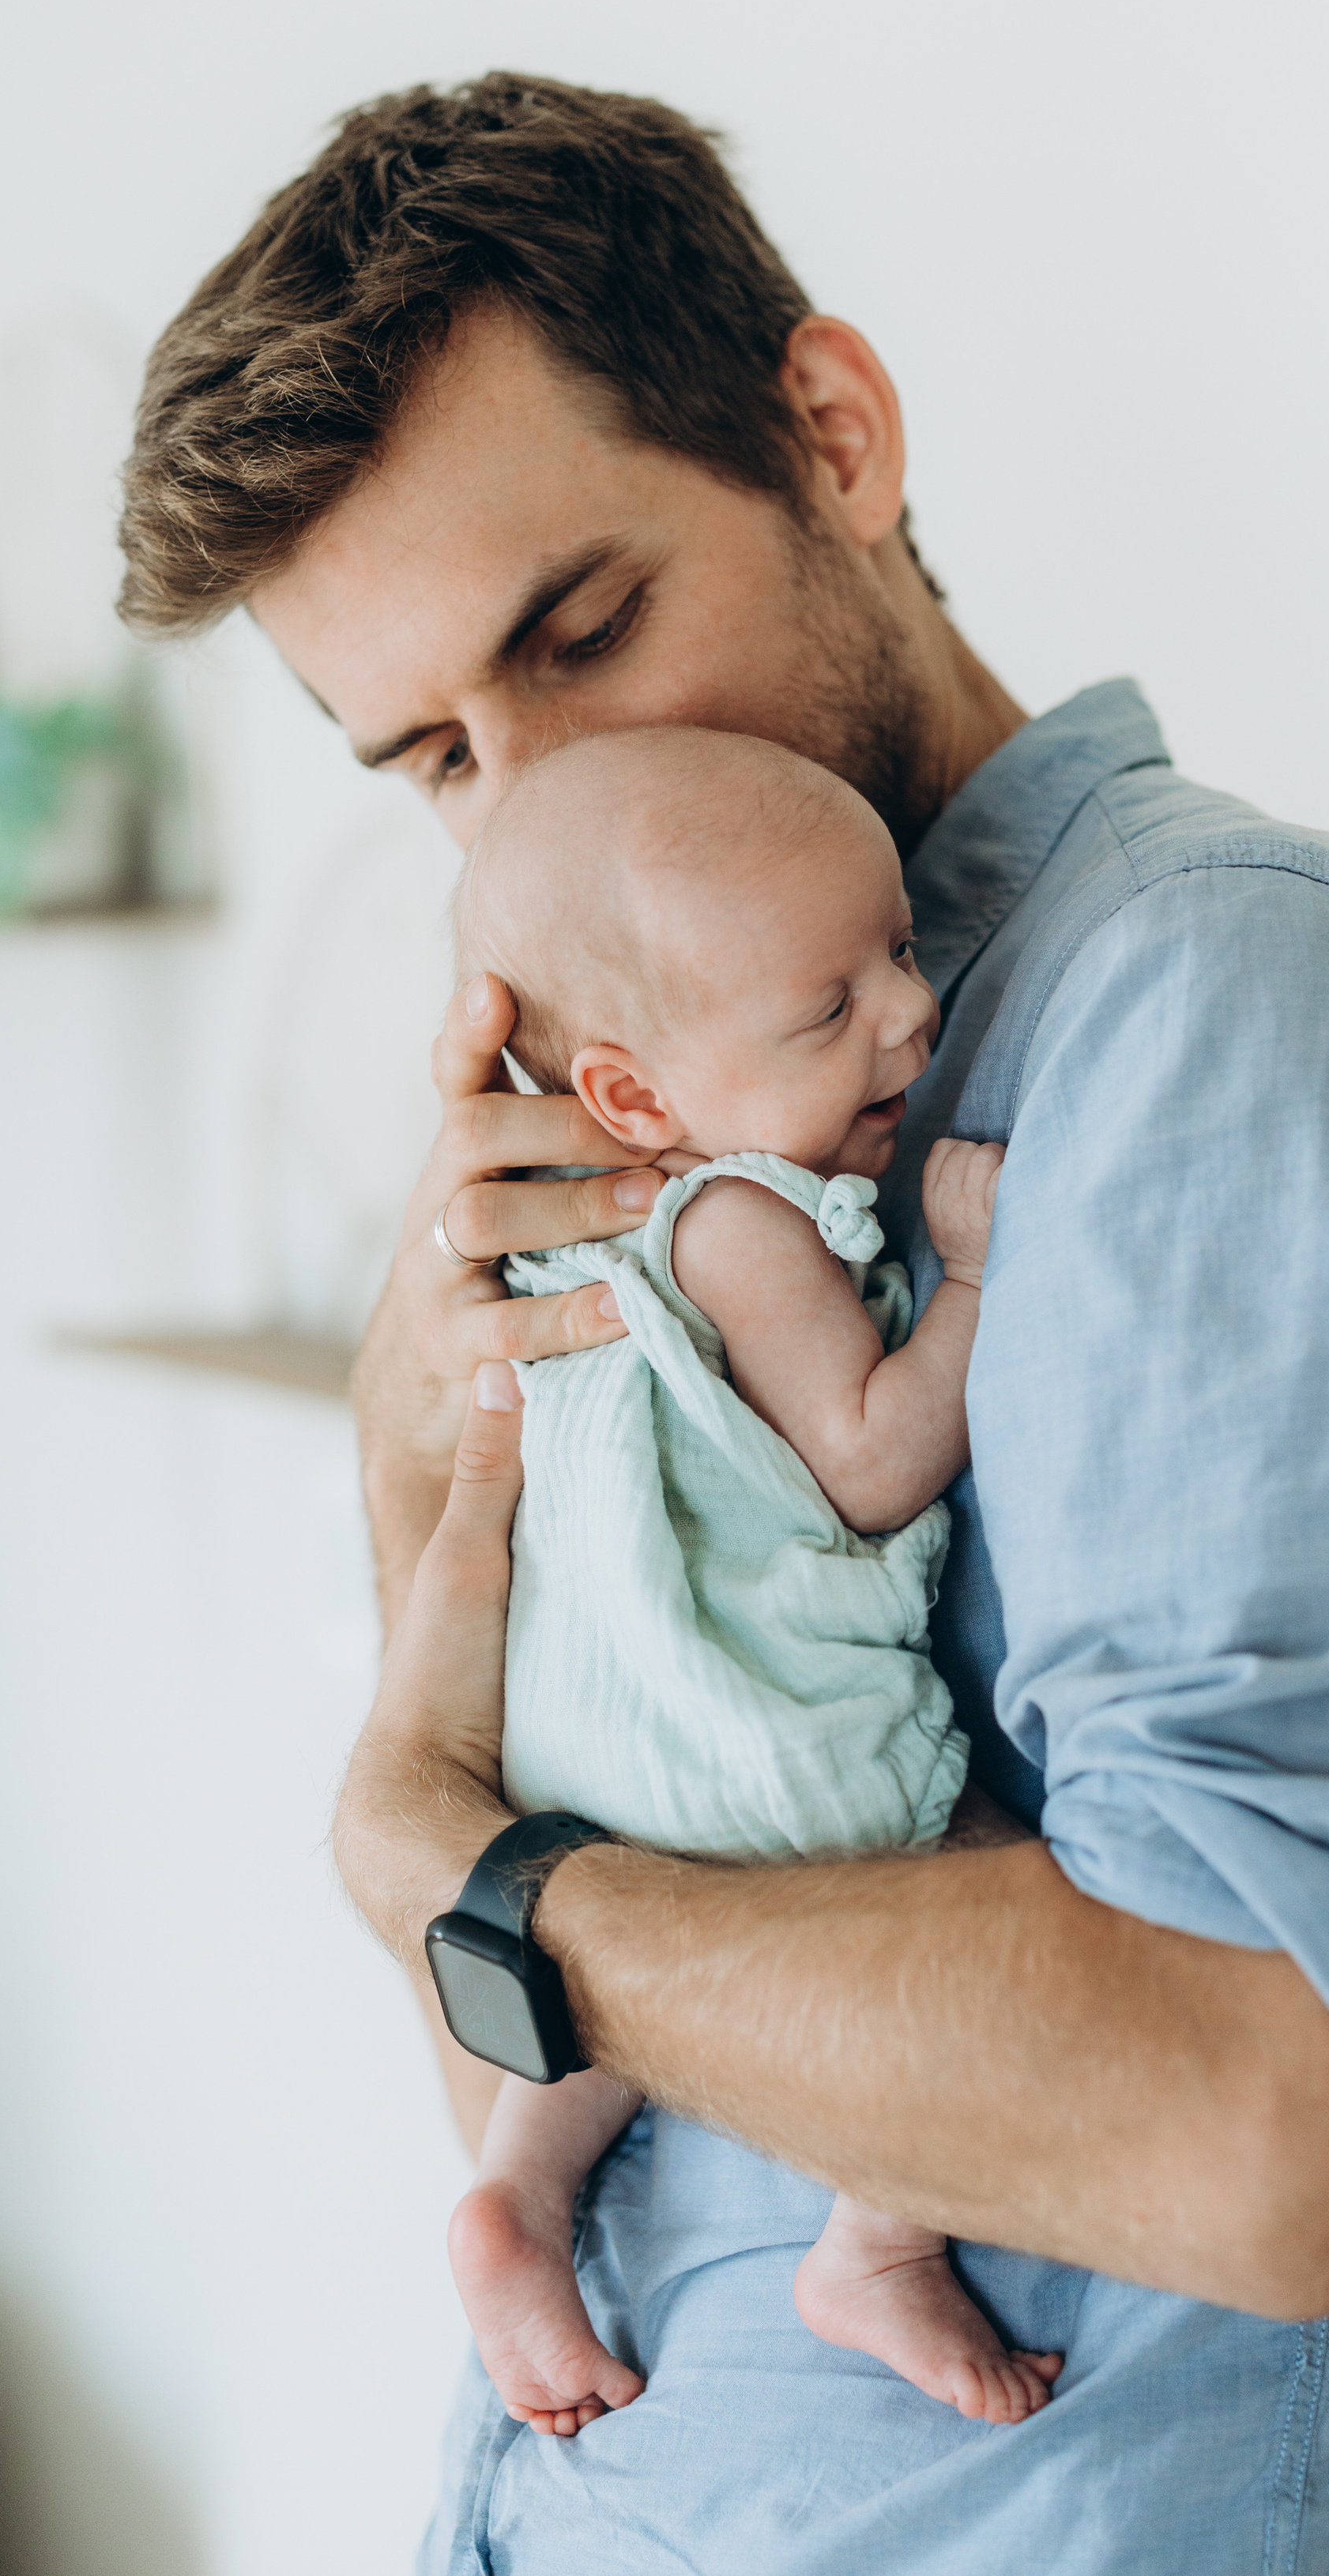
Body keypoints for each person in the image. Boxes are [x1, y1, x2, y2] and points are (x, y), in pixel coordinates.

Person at [115, 73, 1329, 2576]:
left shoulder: (1201, 1014)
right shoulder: (664, 1145)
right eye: (437, 763)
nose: (538, 820)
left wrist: (486, 1876)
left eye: (579, 632)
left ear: (833, 435)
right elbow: (574, 2072)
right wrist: (426, 1461)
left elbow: (1271, 2132)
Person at [444, 721, 1059, 2438]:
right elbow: (868, 1464)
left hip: (592, 1759)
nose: (908, 1017)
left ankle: (519, 2196)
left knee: (609, 2021)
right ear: (639, 1098)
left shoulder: (569, 1243)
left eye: (903, 953)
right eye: (828, 1009)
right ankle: (872, 2239)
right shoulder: (737, 1222)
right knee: (1002, 1931)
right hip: (769, 1749)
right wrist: (970, 1284)